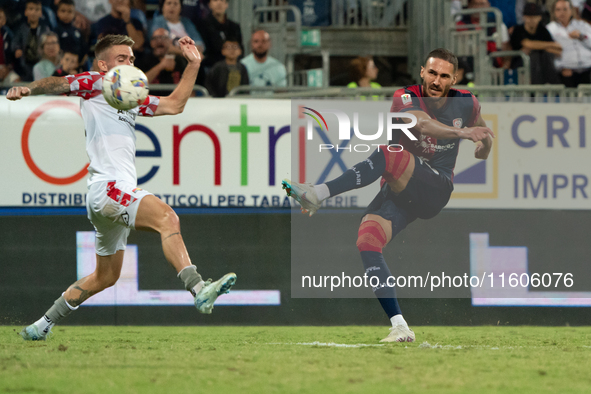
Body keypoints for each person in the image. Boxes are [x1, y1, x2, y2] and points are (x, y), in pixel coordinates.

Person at [7, 34, 237, 341]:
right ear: (104, 65)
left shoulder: (128, 98)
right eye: (122, 59)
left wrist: (194, 63)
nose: (129, 63)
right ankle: (198, 288)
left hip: (107, 197)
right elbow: (58, 83)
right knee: (167, 218)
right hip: (109, 187)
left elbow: (174, 104)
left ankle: (41, 325)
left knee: (106, 276)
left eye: (131, 59)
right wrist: (29, 88)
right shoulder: (96, 83)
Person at [282, 48, 494, 343]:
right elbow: (420, 123)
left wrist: (483, 145)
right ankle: (400, 326)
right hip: (401, 188)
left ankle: (317, 193)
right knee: (367, 240)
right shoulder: (404, 97)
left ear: (454, 79)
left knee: (389, 153)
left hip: (436, 188)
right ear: (422, 72)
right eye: (432, 73)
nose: (436, 80)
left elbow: (483, 135)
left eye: (444, 75)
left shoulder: (467, 103)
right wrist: (462, 134)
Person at [510, 2, 561, 84]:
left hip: (542, 65)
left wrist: (536, 46)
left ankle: (553, 88)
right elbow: (527, 43)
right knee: (534, 55)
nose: (531, 19)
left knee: (545, 55)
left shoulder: (542, 30)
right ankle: (536, 90)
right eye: (528, 16)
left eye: (534, 16)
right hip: (521, 66)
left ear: (540, 17)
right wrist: (549, 45)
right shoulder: (518, 30)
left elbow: (557, 50)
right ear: (524, 17)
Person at [546, 0, 591, 87]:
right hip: (565, 70)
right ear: (554, 12)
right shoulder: (550, 29)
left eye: (565, 9)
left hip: (587, 67)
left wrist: (581, 36)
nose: (561, 12)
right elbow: (545, 47)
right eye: (558, 10)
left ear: (571, 10)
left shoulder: (582, 25)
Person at [135, 27, 187, 96]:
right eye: (155, 38)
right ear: (151, 43)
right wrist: (161, 66)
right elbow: (138, 84)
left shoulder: (180, 61)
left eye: (163, 38)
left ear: (170, 41)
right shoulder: (144, 60)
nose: (159, 41)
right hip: (151, 101)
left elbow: (190, 87)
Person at [12, 0, 51, 81]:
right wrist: (17, 48)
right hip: (24, 65)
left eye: (37, 9)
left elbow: (49, 41)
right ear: (26, 12)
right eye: (31, 9)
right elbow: (15, 41)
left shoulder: (45, 29)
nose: (34, 12)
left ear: (41, 13)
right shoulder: (21, 28)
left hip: (40, 63)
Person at [199, 0, 243, 70]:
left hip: (232, 66)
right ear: (209, 4)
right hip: (210, 67)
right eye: (215, 0)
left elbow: (240, 50)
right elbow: (205, 52)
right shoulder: (202, 26)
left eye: (222, 0)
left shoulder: (234, 27)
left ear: (227, 5)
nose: (219, 3)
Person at [54, 0, 88, 67]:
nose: (66, 14)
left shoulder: (78, 31)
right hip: (61, 65)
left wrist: (80, 63)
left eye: (70, 11)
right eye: (63, 11)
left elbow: (84, 49)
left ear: (74, 13)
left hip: (77, 66)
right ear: (57, 12)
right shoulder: (56, 31)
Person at [0, 6, 20, 84]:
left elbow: (12, 57)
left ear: (4, 21)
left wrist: (7, 69)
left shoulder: (9, 35)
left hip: (5, 68)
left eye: (0, 18)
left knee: (16, 80)